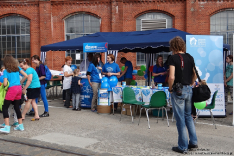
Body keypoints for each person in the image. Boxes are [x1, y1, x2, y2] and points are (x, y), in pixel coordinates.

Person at [168, 36, 198, 154]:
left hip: (178, 90)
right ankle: (193, 142)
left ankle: (183, 147)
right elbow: (195, 73)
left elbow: (171, 77)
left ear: (173, 46)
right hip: (188, 89)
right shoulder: (190, 57)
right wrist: (190, 83)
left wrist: (170, 88)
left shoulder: (172, 58)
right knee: (188, 116)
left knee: (180, 118)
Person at [0, 55, 27, 133]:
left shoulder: (6, 71)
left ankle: (7, 127)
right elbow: (25, 75)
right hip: (19, 88)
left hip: (12, 89)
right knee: (16, 107)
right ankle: (20, 126)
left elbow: (5, 84)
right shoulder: (17, 68)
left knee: (5, 107)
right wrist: (21, 82)